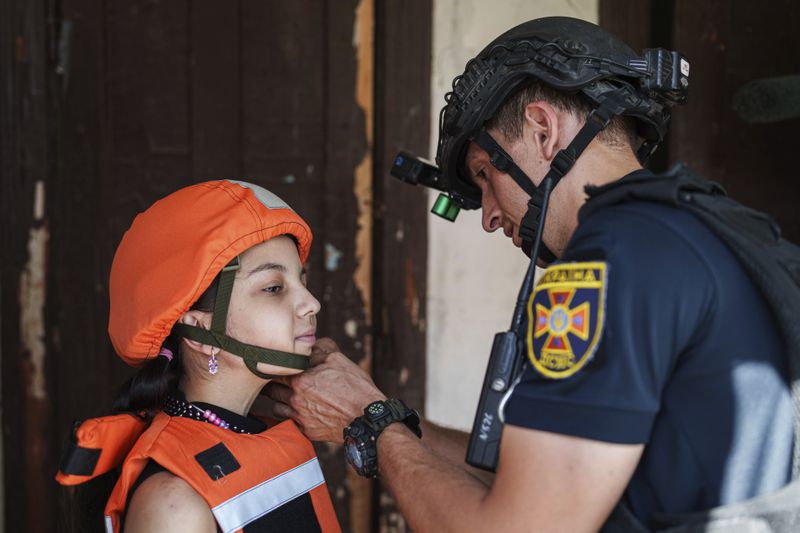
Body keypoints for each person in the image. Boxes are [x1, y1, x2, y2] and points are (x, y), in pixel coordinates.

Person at [266, 17, 799, 531]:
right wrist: (383, 413)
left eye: (484, 174)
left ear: (544, 130)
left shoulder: (613, 263)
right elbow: (538, 481)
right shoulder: (695, 230)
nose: (491, 215)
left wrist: (371, 425)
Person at [56, 180, 341, 532]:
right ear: (201, 329)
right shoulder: (173, 505)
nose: (311, 303)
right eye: (273, 288)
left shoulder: (268, 435)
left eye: (302, 280)